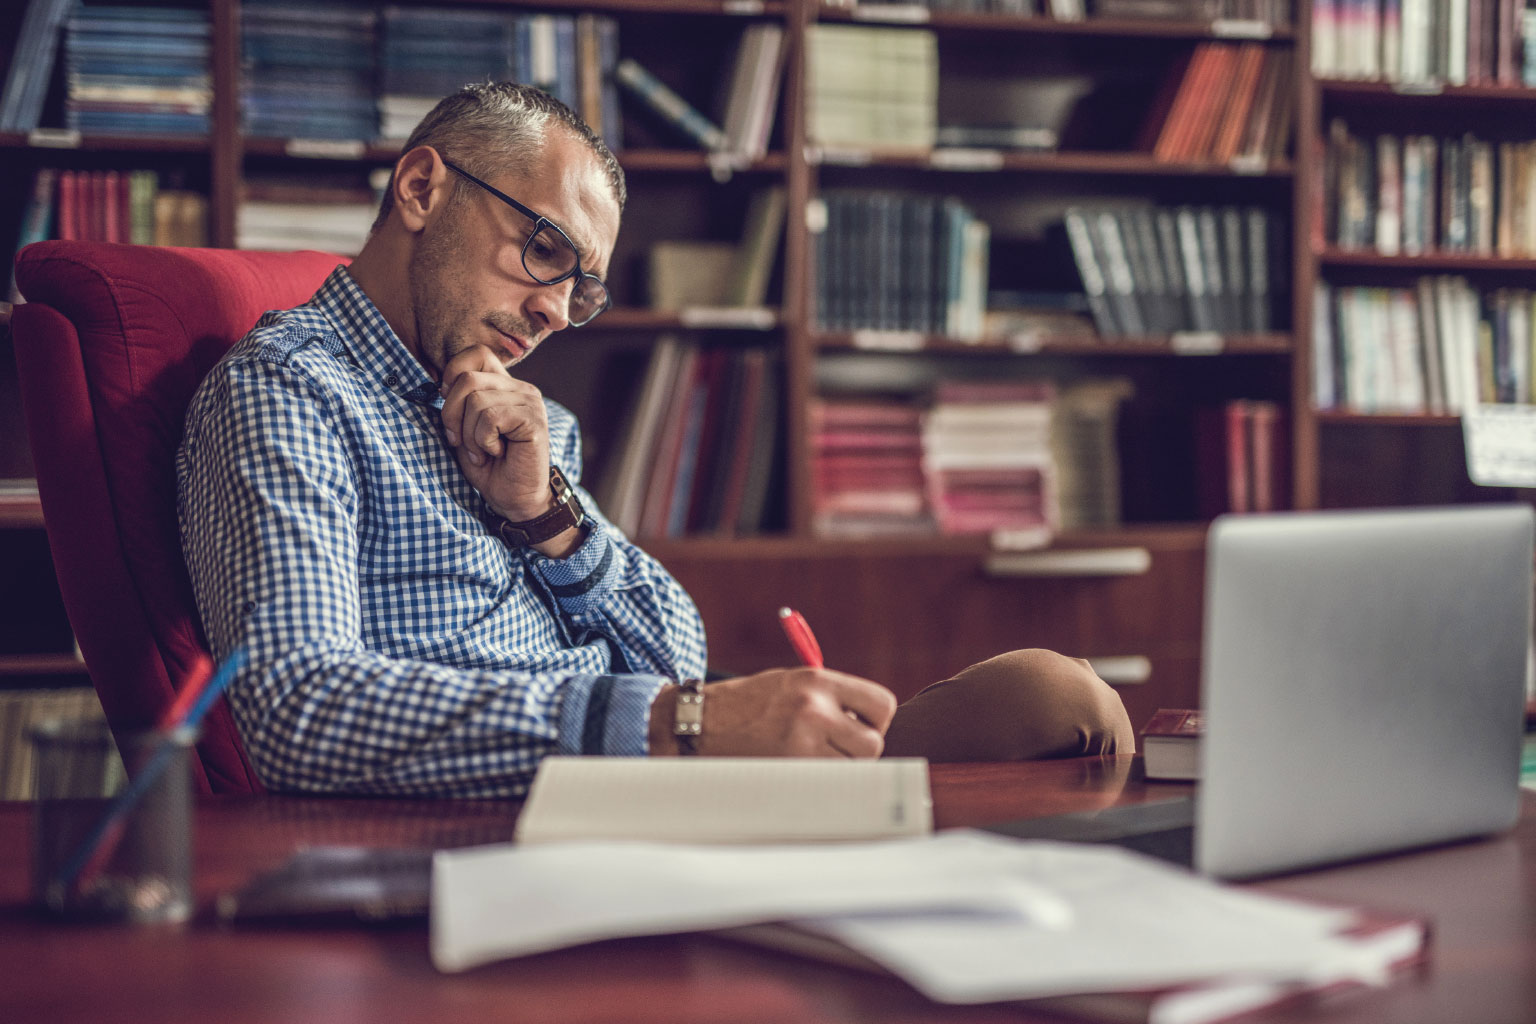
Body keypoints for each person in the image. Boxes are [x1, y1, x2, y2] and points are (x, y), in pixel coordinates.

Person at [177, 83, 1133, 798]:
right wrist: (677, 726)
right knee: (1052, 722)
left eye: (580, 288)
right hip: (543, 814)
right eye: (542, 248)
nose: (553, 310)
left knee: (1057, 702)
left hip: (661, 772)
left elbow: (675, 642)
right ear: (424, 187)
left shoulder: (514, 417)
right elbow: (299, 712)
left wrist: (545, 519)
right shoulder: (292, 391)